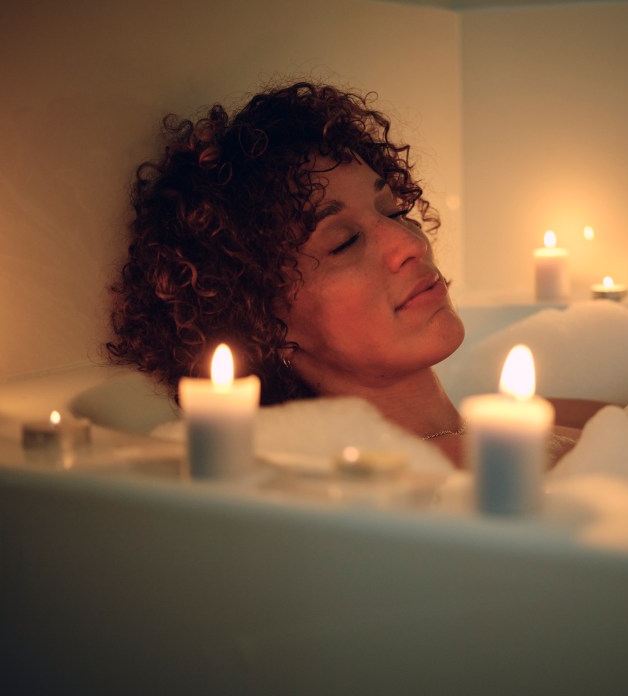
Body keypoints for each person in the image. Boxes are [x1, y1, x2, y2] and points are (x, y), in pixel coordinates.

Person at [106, 79, 589, 468]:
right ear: (259, 318)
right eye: (344, 242)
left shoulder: (526, 427)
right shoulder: (402, 492)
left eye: (395, 211)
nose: (411, 244)